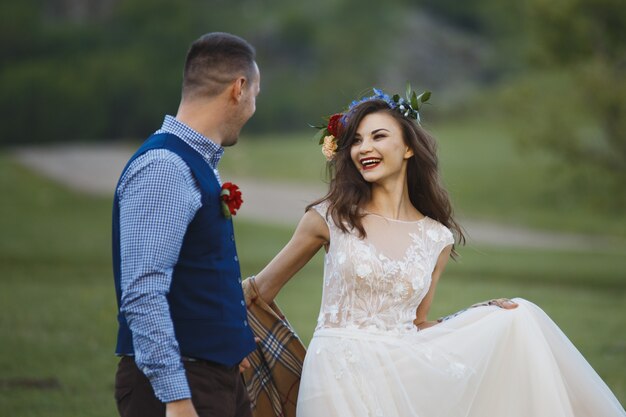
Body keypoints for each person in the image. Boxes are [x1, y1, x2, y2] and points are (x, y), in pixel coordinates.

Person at [250, 88, 626, 416]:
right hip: (333, 374)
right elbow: (259, 293)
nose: (364, 148)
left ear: (409, 147)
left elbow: (417, 326)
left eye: (378, 136)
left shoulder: (436, 238)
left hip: (399, 378)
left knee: (520, 316)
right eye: (357, 141)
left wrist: (476, 317)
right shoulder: (330, 218)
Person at [112, 32, 260, 417]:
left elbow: (199, 272)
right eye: (256, 95)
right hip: (181, 387)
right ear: (238, 89)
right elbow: (143, 291)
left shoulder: (194, 163)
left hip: (213, 378)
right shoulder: (165, 168)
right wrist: (176, 400)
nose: (253, 107)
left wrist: (227, 343)